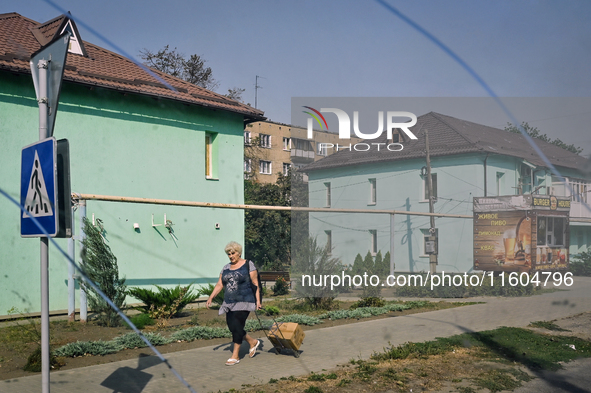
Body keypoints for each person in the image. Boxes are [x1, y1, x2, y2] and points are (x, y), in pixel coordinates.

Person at [206, 241, 262, 365]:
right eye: (229, 254)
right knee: (233, 327)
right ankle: (252, 342)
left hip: (245, 300)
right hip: (229, 302)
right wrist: (211, 297)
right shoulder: (226, 268)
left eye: (233, 253)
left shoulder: (248, 264)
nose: (231, 256)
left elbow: (255, 283)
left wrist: (258, 301)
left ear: (239, 253)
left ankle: (235, 356)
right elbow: (220, 284)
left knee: (237, 325)